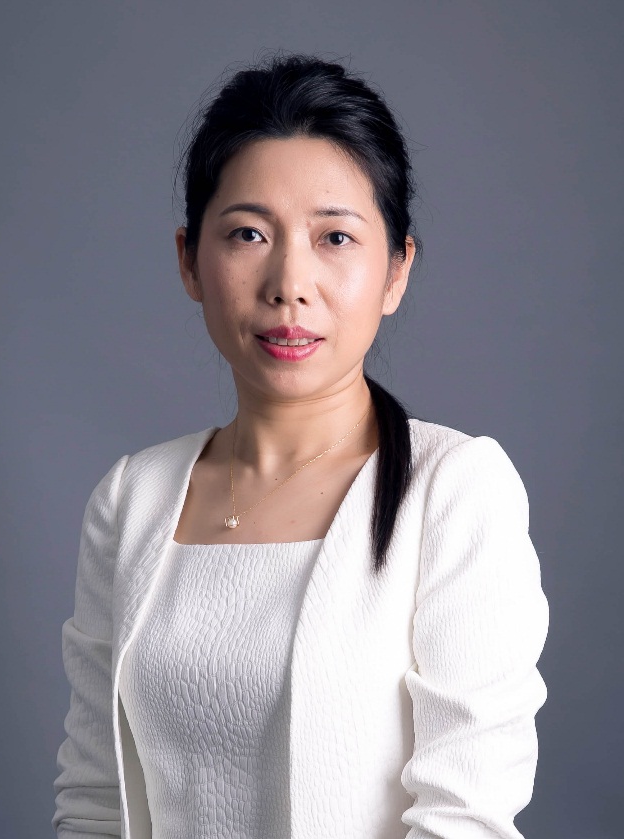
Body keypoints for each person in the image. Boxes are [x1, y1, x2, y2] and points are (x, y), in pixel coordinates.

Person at [52, 52, 549, 839]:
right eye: (248, 233)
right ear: (189, 260)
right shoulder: (130, 498)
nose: (290, 281)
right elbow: (94, 803)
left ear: (396, 270)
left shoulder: (453, 492)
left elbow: (465, 819)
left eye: (335, 237)